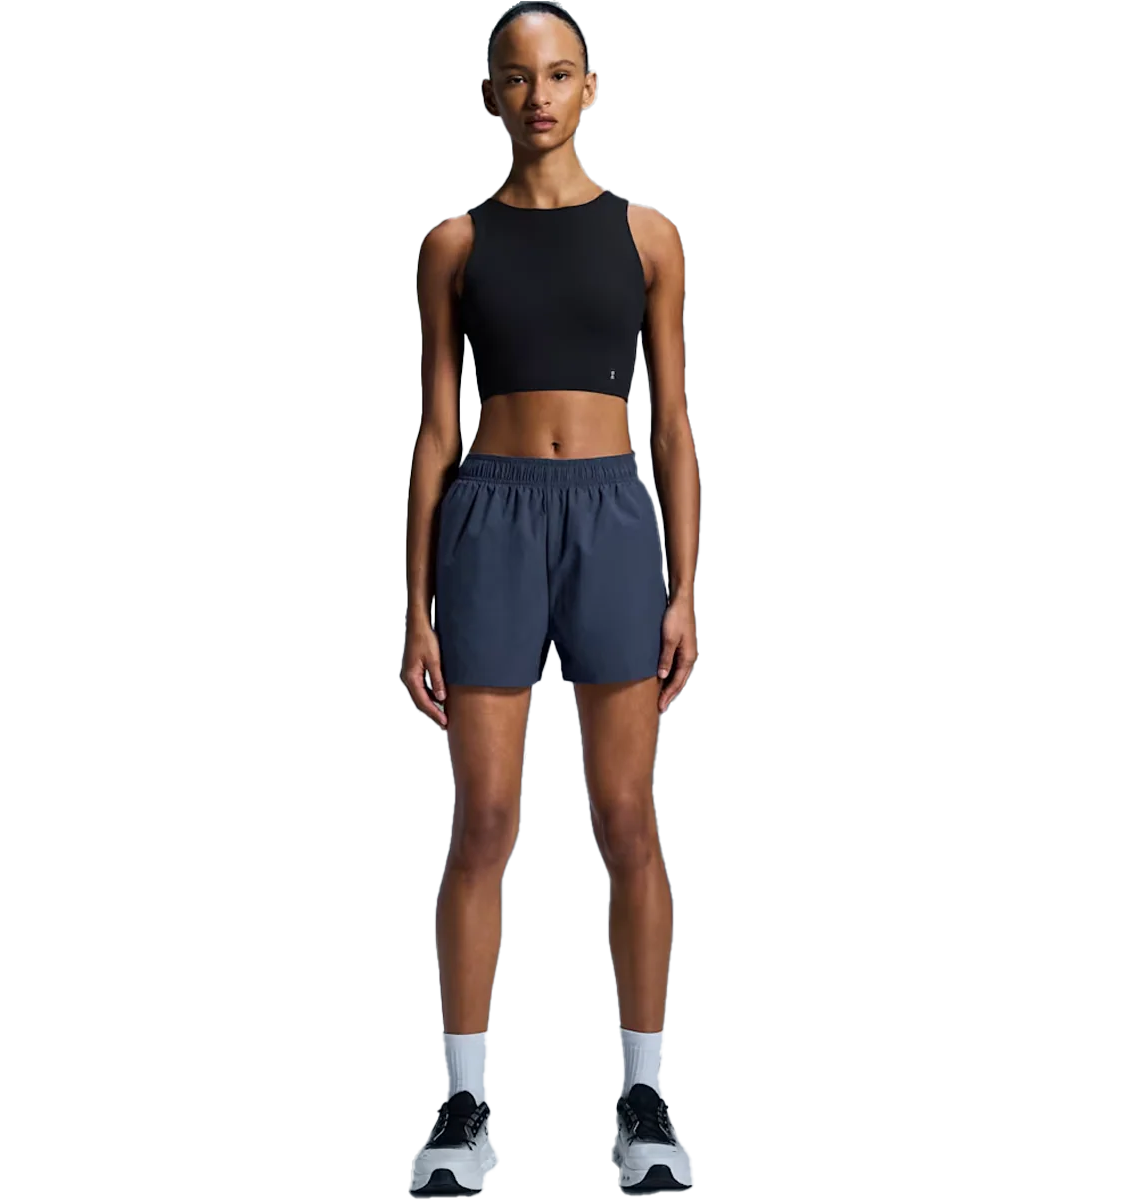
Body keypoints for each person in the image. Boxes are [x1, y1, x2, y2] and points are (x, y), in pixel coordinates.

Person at [402, 3, 700, 1192]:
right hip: (493, 517)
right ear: (490, 92)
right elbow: (435, 432)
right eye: (518, 77)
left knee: (627, 818)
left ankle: (643, 1101)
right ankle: (463, 1106)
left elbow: (672, 425)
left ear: (590, 89)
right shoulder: (453, 245)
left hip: (614, 520)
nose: (539, 95)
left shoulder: (648, 235)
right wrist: (414, 605)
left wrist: (687, 588)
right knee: (483, 820)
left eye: (560, 73)